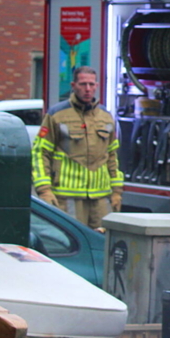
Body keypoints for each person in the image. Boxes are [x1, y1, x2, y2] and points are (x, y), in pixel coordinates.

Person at [32, 66, 123, 229]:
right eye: (82, 84)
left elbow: (112, 156)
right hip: (67, 197)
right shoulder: (57, 114)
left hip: (100, 198)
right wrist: (44, 190)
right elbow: (40, 153)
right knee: (73, 243)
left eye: (91, 84)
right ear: (73, 85)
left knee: (103, 243)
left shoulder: (106, 116)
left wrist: (117, 191)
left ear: (96, 85)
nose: (87, 89)